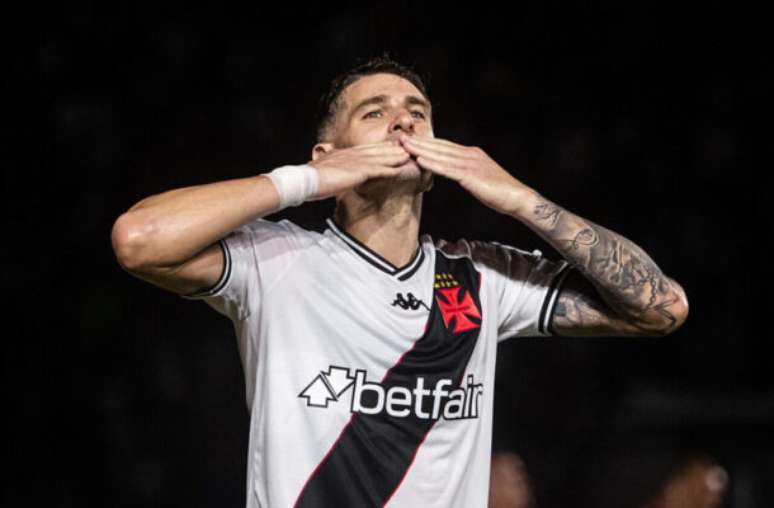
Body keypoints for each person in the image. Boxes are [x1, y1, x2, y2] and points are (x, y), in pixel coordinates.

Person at [111, 55, 689, 507]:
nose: (404, 121)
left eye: (417, 111)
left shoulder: (483, 278)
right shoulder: (278, 262)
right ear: (328, 155)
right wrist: (305, 179)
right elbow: (140, 238)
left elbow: (662, 307)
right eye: (374, 113)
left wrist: (523, 200)